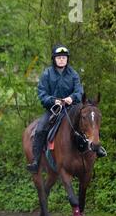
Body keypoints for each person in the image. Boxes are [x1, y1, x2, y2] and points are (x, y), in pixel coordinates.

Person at [27, 44, 107, 174]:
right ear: (54, 59)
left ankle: (97, 148)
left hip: (72, 108)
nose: (62, 60)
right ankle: (36, 160)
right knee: (41, 128)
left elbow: (79, 91)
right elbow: (42, 93)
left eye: (64, 58)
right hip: (54, 109)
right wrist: (54, 100)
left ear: (67, 59)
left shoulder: (73, 74)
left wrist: (72, 97)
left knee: (89, 121)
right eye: (59, 58)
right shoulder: (47, 74)